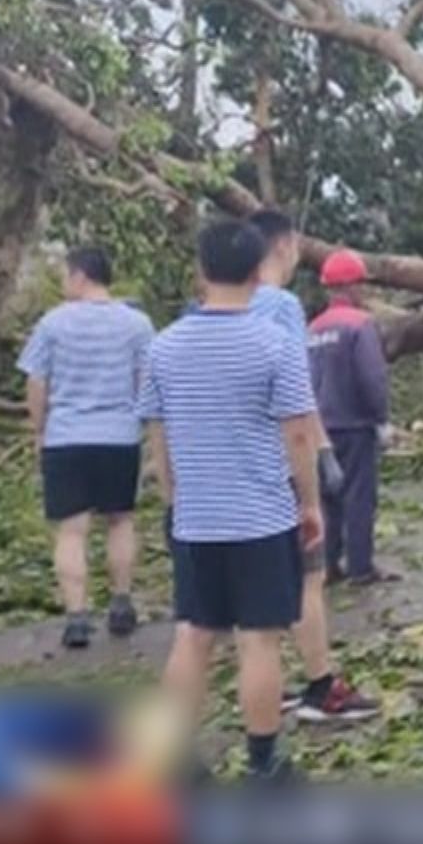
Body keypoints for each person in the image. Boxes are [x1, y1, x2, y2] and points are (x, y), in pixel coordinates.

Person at [141, 218, 323, 782]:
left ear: (201, 270)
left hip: (196, 519)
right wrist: (309, 503)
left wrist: (174, 499)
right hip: (262, 517)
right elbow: (298, 434)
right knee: (259, 641)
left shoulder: (163, 347)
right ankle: (264, 763)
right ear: (256, 270)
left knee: (193, 636)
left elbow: (157, 436)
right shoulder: (275, 344)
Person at [242, 209, 377, 723]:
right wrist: (317, 461)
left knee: (249, 600)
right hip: (287, 458)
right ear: (285, 245)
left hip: (236, 469)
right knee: (307, 577)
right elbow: (296, 400)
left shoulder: (206, 312)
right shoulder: (283, 308)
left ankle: (267, 692)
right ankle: (321, 686)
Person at [17, 247, 156, 650]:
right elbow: (145, 380)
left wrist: (39, 429)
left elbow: (36, 380)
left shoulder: (53, 324)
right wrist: (140, 425)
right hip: (119, 436)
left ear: (80, 276)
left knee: (72, 530)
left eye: (65, 275)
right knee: (120, 521)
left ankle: (77, 618)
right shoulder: (137, 324)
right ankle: (122, 602)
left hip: (66, 437)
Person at [306, 249, 395, 586]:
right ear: (353, 286)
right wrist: (381, 419)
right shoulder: (361, 325)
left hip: (319, 427)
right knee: (359, 497)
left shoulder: (313, 328)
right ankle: (360, 567)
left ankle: (328, 564)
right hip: (355, 426)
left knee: (328, 498)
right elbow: (372, 377)